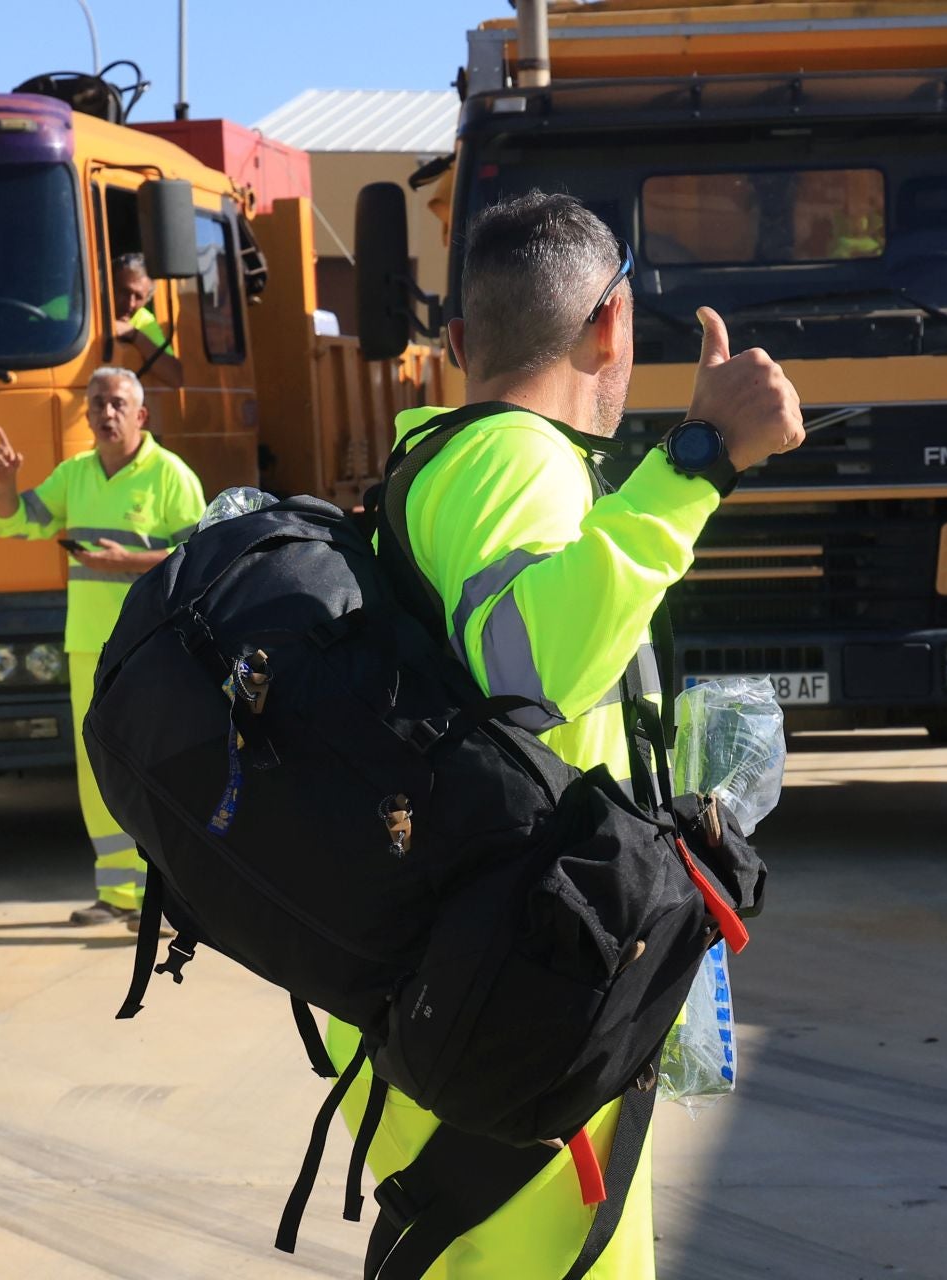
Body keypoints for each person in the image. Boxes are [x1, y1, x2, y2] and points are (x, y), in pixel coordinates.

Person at [327, 192, 804, 1277]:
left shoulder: (438, 460)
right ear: (610, 327)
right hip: (521, 1005)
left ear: (455, 342)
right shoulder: (515, 460)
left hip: (469, 989)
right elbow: (530, 666)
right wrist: (702, 458)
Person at [0, 366, 207, 929]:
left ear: (141, 416)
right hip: (88, 645)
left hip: (151, 647)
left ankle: (167, 898)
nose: (104, 413)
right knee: (96, 771)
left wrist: (125, 562)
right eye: (95, 404)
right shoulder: (75, 475)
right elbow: (17, 524)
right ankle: (118, 897)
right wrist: (6, 485)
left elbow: (201, 559)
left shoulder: (171, 476)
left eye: (116, 404)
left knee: (155, 768)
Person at [112, 252, 184, 386]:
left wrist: (134, 334)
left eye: (138, 297)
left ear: (147, 300)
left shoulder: (144, 320)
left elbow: (175, 377)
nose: (130, 303)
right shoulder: (73, 307)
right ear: (109, 286)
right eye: (124, 292)